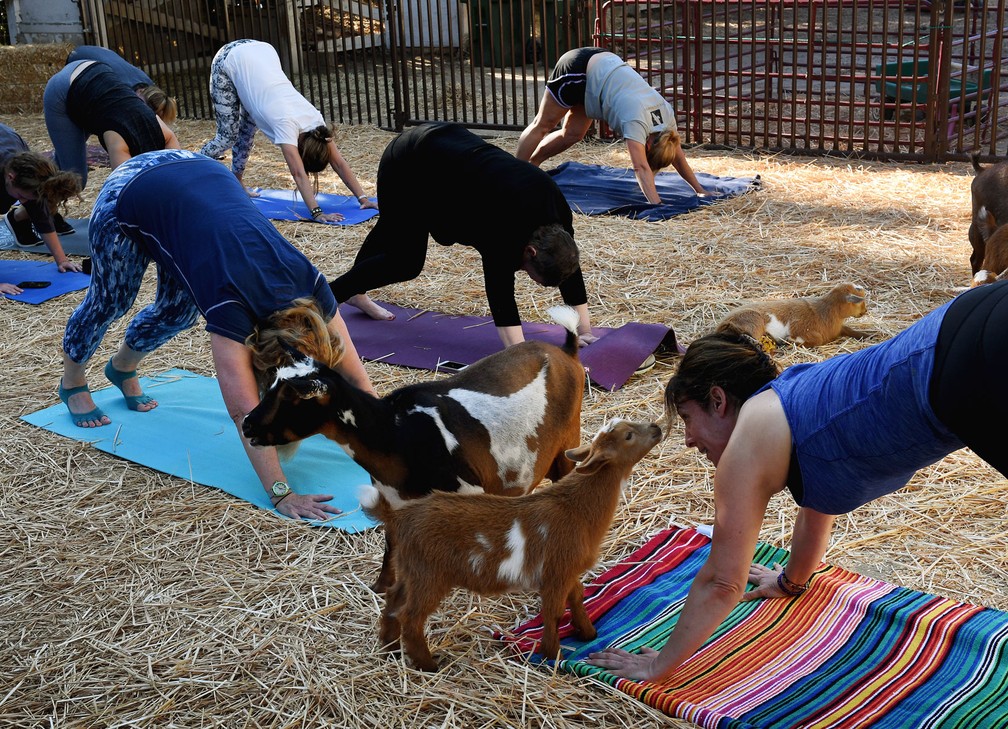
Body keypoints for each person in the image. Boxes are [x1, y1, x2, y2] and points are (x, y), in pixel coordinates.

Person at [587, 281, 1008, 682]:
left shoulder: (750, 440)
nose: (688, 440)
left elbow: (722, 582)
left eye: (688, 419)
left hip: (974, 362)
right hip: (972, 326)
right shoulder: (790, 407)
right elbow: (816, 505)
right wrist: (791, 581)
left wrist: (657, 666)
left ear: (717, 401)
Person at [58, 149, 374, 521]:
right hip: (132, 189)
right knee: (111, 301)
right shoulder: (231, 311)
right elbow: (244, 411)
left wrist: (382, 450)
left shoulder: (314, 289)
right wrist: (281, 493)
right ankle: (72, 382)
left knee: (176, 313)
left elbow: (356, 379)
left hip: (197, 178)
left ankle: (122, 369)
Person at [328, 122, 597, 348]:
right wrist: (521, 355)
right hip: (411, 162)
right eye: (530, 273)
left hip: (450, 153)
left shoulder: (558, 218)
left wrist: (583, 332)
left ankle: (356, 292)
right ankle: (326, 298)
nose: (525, 275)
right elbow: (501, 295)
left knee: (392, 229)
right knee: (404, 260)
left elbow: (568, 268)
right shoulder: (505, 227)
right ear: (530, 252)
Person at [197, 39, 376, 223]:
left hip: (261, 51)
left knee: (247, 130)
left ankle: (237, 182)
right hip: (230, 58)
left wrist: (363, 198)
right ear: (302, 152)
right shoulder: (287, 126)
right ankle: (190, 166)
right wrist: (317, 213)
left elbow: (339, 163)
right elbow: (298, 173)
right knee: (227, 137)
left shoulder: (317, 124)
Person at [516, 47, 709, 204]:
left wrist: (699, 191)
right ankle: (515, 174)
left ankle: (533, 164)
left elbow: (680, 159)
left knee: (573, 134)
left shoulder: (667, 121)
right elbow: (640, 167)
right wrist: (656, 205)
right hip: (578, 69)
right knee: (543, 124)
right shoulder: (636, 122)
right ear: (648, 146)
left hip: (600, 70)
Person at [44, 59, 180, 189]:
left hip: (95, 70)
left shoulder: (165, 134)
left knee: (67, 157)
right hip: (64, 89)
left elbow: (178, 170)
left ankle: (39, 174)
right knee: (75, 179)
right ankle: (31, 196)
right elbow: (123, 189)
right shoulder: (120, 143)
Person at [1, 122, 83, 272]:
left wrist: (62, 260)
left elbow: (41, 216)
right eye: (20, 196)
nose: (23, 202)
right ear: (10, 177)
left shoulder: (28, 173)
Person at [65, 45, 178, 123]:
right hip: (79, 58)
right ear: (141, 92)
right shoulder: (122, 90)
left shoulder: (148, 85)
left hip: (98, 52)